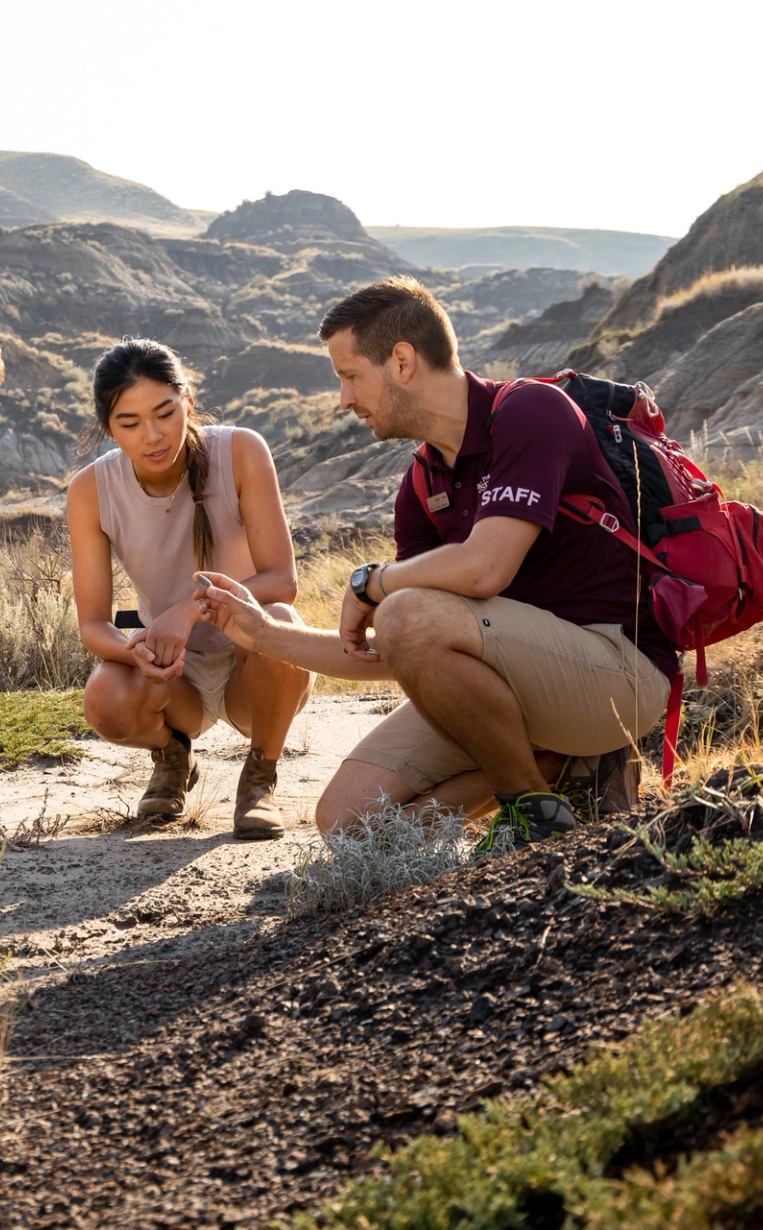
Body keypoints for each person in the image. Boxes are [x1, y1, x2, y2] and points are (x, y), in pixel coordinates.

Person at [196, 277, 676, 845]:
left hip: (617, 673)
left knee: (406, 613)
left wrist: (373, 583)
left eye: (350, 377)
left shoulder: (529, 412)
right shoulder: (422, 484)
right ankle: (555, 770)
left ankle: (533, 812)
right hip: (515, 684)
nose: (343, 399)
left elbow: (483, 569)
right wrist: (261, 634)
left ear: (402, 361)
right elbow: (401, 652)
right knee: (347, 826)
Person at [67, 338, 313, 838]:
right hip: (172, 677)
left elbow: (280, 581)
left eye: (165, 413)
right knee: (105, 698)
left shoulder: (240, 451)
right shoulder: (91, 490)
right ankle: (172, 754)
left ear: (189, 402)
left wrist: (187, 612)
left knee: (282, 625)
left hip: (254, 661)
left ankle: (260, 780)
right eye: (129, 424)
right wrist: (134, 648)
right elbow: (93, 624)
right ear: (107, 427)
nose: (153, 437)